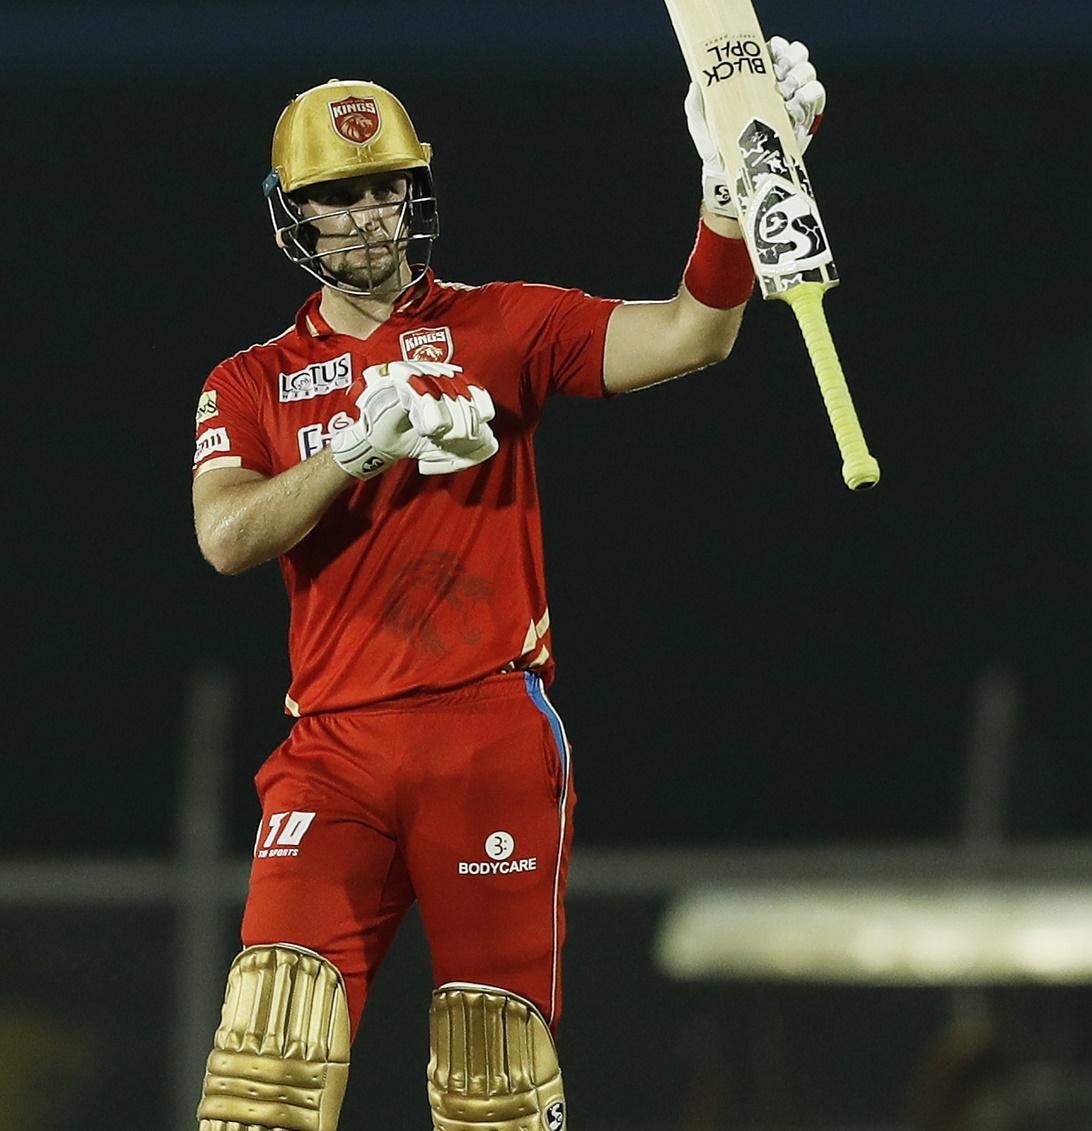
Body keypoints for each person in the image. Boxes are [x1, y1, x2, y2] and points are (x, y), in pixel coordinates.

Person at [191, 40, 826, 1131]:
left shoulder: (503, 324)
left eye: (390, 186)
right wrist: (352, 449)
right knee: (265, 1067)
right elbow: (227, 537)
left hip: (487, 729)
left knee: (495, 1076)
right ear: (294, 213)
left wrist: (726, 206)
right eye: (341, 195)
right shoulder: (249, 380)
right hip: (331, 749)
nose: (372, 214)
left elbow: (693, 334)